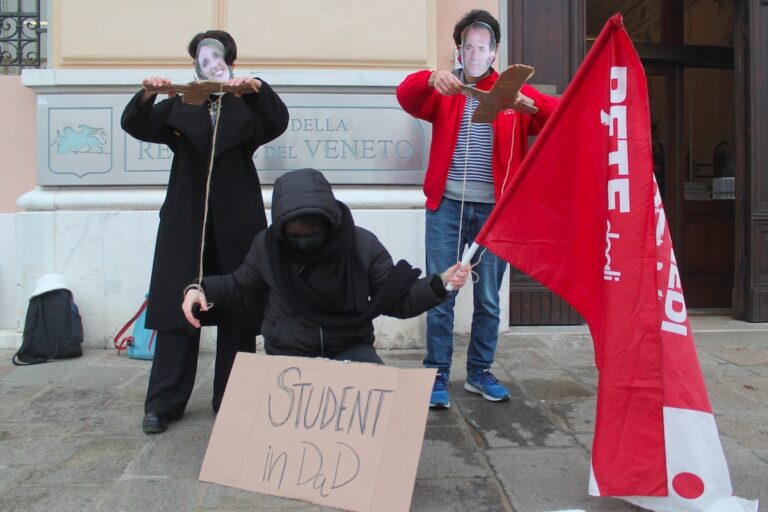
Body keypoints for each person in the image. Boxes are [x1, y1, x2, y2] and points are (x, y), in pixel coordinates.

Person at [121, 30, 289, 434]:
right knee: (175, 311)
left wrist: (254, 88)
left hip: (237, 219)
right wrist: (149, 94)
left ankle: (232, 399)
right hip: (185, 219)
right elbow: (135, 124)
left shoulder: (245, 105)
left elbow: (277, 121)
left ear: (228, 58)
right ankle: (163, 404)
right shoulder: (181, 104)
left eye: (216, 56)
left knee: (237, 307)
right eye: (202, 55)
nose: (209, 61)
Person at [396, 10, 559, 409]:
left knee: (488, 297)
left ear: (494, 52)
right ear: (459, 50)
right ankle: (436, 373)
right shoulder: (448, 89)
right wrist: (430, 77)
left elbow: (558, 115)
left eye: (482, 47)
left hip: (493, 214)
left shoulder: (510, 91)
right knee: (442, 291)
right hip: (447, 206)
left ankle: (479, 372)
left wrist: (526, 105)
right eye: (467, 46)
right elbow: (406, 95)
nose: (474, 53)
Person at [182, 168, 470, 364]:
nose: (304, 242)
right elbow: (240, 285)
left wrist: (440, 284)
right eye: (295, 235)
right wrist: (200, 288)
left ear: (330, 222)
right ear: (282, 229)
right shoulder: (267, 247)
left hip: (350, 346)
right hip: (289, 348)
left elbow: (397, 300)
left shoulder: (362, 245)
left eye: (312, 233)